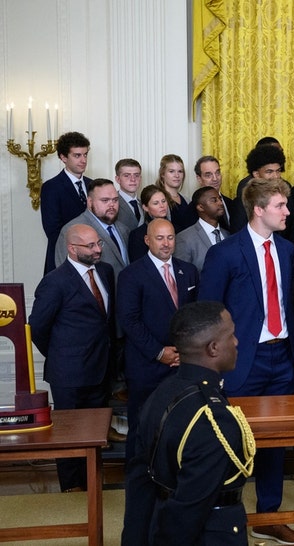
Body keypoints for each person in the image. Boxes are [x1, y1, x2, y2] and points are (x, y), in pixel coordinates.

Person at [199, 178, 294, 545]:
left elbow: (292, 304)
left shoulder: (289, 250)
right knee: (231, 442)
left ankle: (269, 516)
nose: (288, 212)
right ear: (259, 210)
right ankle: (223, 519)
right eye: (280, 206)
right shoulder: (225, 253)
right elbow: (208, 313)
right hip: (242, 361)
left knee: (275, 442)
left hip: (282, 356)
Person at [121, 301, 255, 545]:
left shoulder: (161, 393)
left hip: (155, 522)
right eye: (231, 335)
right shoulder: (213, 419)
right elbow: (188, 512)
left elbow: (139, 484)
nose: (236, 342)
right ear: (213, 348)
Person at [29, 224, 114, 492]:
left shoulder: (106, 272)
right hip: (68, 374)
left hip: (101, 368)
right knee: (68, 434)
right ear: (72, 248)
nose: (97, 249)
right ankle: (70, 489)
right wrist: (59, 356)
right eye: (90, 246)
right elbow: (38, 327)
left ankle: (91, 484)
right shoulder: (55, 281)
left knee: (95, 432)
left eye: (98, 243)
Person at [117, 218, 199, 461]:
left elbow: (194, 316)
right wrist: (159, 352)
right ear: (147, 240)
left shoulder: (189, 271)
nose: (166, 244)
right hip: (146, 367)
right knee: (143, 429)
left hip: (182, 366)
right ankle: (138, 483)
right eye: (160, 238)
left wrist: (184, 352)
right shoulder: (131, 274)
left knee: (181, 427)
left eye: (170, 237)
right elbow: (130, 321)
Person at [55, 178, 130, 278]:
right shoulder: (71, 230)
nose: (112, 205)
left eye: (115, 200)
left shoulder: (124, 229)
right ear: (90, 202)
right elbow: (66, 275)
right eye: (105, 200)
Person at [40, 131, 92, 274]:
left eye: (85, 154)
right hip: (63, 260)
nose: (83, 160)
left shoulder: (92, 185)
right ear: (63, 157)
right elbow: (53, 230)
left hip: (91, 260)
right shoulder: (51, 187)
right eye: (77, 155)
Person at [174, 186, 230, 272]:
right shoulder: (184, 238)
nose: (220, 203)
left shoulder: (228, 235)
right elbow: (182, 276)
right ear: (200, 207)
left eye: (220, 199)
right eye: (214, 200)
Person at [193, 155, 242, 233]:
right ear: (199, 179)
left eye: (217, 173)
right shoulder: (193, 208)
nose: (215, 178)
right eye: (208, 175)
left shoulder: (231, 203)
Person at [127, 185, 171, 263]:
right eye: (156, 203)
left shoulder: (176, 229)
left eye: (163, 201)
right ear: (145, 207)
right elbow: (137, 265)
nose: (162, 206)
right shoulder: (137, 235)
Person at [236, 136, 286, 201]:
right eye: (269, 171)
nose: (276, 176)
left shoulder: (285, 186)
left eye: (278, 171)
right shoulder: (246, 187)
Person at [156, 154, 193, 232]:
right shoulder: (157, 199)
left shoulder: (187, 200)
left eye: (180, 171)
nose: (177, 175)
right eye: (171, 171)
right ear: (162, 174)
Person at [114, 158, 145, 233]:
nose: (133, 179)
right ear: (118, 179)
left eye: (136, 175)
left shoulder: (144, 204)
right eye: (127, 175)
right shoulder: (113, 203)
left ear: (140, 178)